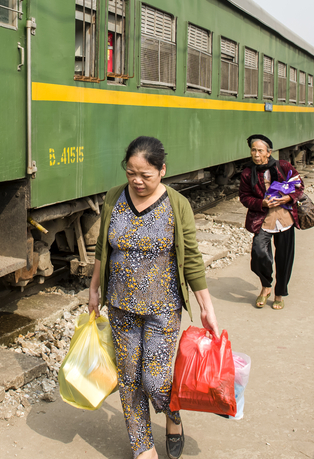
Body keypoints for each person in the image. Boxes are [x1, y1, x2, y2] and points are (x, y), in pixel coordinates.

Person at [88, 136, 220, 459]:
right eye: (131, 172)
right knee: (130, 379)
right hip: (120, 306)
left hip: (163, 306)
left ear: (163, 170)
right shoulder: (113, 199)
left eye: (145, 175)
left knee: (155, 379)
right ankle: (142, 447)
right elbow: (103, 250)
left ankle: (172, 412)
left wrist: (206, 307)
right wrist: (93, 289)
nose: (137, 180)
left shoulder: (177, 204)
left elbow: (190, 259)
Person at [238, 134, 303, 311]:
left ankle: (279, 293)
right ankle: (266, 285)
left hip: (285, 219)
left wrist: (286, 199)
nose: (256, 154)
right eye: (253, 150)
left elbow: (299, 186)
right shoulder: (247, 173)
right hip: (262, 220)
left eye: (260, 150)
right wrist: (262, 203)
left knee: (284, 258)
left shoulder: (283, 166)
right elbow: (244, 197)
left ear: (269, 152)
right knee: (259, 253)